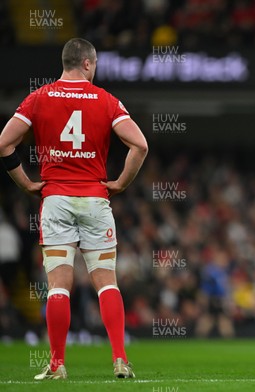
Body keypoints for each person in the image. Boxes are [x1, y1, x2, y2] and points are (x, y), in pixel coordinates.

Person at [0, 38, 148, 380]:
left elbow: (5, 143)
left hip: (56, 200)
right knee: (107, 284)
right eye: (94, 65)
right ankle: (120, 360)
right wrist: (121, 183)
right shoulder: (106, 100)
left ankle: (57, 366)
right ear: (87, 64)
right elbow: (140, 144)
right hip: (96, 199)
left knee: (58, 287)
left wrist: (25, 183)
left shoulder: (39, 97)